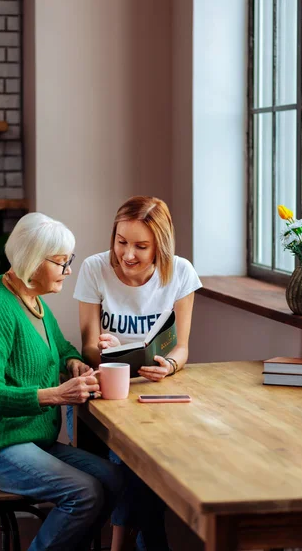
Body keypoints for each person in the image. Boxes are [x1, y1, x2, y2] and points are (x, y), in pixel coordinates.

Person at [0, 212, 123, 551]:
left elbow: (62, 349)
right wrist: (55, 395)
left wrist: (73, 363)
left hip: (30, 439)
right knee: (85, 493)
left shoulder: (34, 302)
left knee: (114, 480)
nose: (68, 270)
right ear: (32, 261)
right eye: (61, 262)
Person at [73, 196, 201, 551]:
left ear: (160, 244)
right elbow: (87, 348)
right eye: (121, 241)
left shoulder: (181, 273)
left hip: (156, 393)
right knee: (130, 464)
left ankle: (127, 544)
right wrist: (106, 347)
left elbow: (182, 348)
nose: (128, 254)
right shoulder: (94, 268)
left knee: (150, 468)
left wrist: (169, 365)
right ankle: (125, 544)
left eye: (141, 246)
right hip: (109, 391)